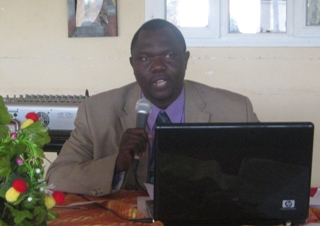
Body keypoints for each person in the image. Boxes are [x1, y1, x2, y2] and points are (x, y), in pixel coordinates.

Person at [46, 19, 259, 196]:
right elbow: (56, 177)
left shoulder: (237, 109)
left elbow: (265, 177)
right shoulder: (96, 111)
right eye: (145, 58)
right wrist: (116, 165)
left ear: (185, 60)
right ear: (133, 65)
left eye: (170, 55)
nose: (158, 66)